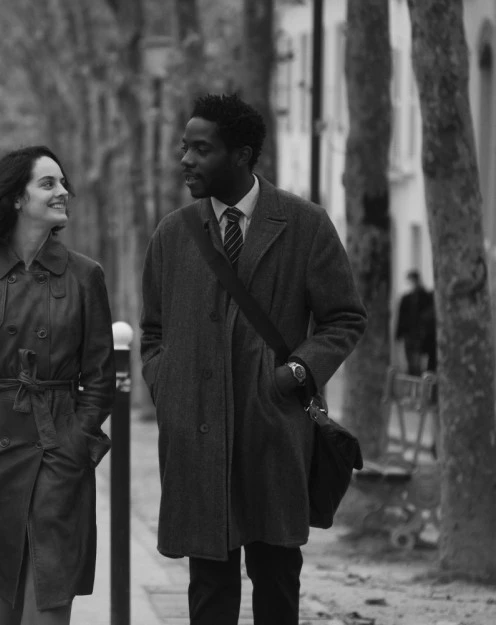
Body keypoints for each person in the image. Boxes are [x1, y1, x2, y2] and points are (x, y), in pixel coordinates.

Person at [140, 94, 367, 625]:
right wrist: (168, 387)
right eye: (184, 147)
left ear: (241, 155)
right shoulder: (173, 233)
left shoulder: (305, 224)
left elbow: (344, 318)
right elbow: (152, 332)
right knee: (209, 588)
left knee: (277, 579)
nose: (186, 160)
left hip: (274, 430)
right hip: (197, 435)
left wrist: (297, 372)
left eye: (201, 149)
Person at [0, 145, 115, 625]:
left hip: (59, 446)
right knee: (4, 606)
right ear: (16, 198)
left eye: (63, 183)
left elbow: (100, 375)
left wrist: (78, 439)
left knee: (49, 602)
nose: (63, 192)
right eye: (48, 183)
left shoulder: (85, 276)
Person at [395, 269, 436, 375]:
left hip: (421, 335)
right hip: (409, 334)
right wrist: (399, 334)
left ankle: (418, 376)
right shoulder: (406, 298)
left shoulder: (426, 296)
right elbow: (401, 317)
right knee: (411, 360)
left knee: (419, 360)